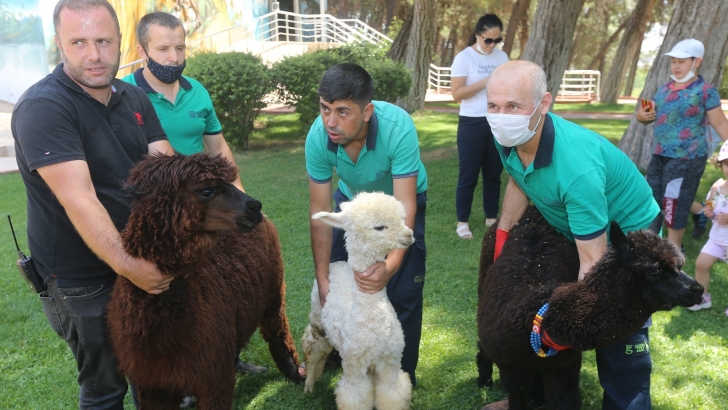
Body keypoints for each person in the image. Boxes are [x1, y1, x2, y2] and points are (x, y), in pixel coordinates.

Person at [11, 1, 174, 408]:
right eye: (78, 42)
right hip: (79, 279)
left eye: (103, 40)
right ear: (59, 44)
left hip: (137, 258)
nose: (94, 55)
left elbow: (167, 170)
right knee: (106, 389)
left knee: (154, 374)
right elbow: (79, 197)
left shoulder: (133, 97)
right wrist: (131, 267)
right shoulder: (44, 107)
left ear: (121, 40)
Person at [482, 60, 661, 410]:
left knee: (618, 333)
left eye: (513, 107)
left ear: (544, 104)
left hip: (629, 237)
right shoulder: (510, 136)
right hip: (581, 225)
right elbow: (520, 177)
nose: (501, 117)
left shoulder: (577, 171)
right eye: (493, 106)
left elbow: (592, 263)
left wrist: (575, 319)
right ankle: (532, 397)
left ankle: (629, 402)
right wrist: (502, 234)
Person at [305, 63, 428, 386]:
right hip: (353, 206)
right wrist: (322, 276)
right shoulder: (319, 137)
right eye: (325, 109)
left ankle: (399, 376)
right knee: (339, 283)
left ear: (367, 111)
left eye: (342, 112)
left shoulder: (397, 126)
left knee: (402, 291)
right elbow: (319, 210)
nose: (330, 122)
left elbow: (405, 204)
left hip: (397, 206)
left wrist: (392, 262)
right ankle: (340, 355)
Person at [121, 11, 244, 192]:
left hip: (196, 200)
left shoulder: (197, 91)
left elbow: (218, 147)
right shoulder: (122, 93)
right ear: (142, 51)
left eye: (180, 48)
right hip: (145, 202)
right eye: (163, 49)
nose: (175, 58)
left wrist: (237, 189)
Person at [636, 38, 728, 250]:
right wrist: (642, 116)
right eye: (673, 61)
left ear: (697, 61)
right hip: (660, 154)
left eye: (682, 61)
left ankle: (674, 251)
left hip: (687, 158)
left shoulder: (705, 91)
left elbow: (720, 122)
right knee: (654, 198)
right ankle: (664, 239)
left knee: (674, 205)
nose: (676, 66)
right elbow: (646, 116)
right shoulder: (665, 88)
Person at [450, 13, 509, 239]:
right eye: (488, 40)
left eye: (497, 40)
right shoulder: (464, 58)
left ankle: (491, 217)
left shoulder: (502, 57)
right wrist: (486, 82)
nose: (492, 45)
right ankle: (462, 222)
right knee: (469, 175)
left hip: (496, 121)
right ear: (478, 35)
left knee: (494, 174)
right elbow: (457, 94)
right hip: (471, 123)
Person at [687, 139, 728, 314]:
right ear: (720, 164)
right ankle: (702, 298)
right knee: (701, 264)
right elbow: (709, 205)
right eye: (727, 163)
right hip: (717, 238)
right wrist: (708, 212)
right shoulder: (717, 186)